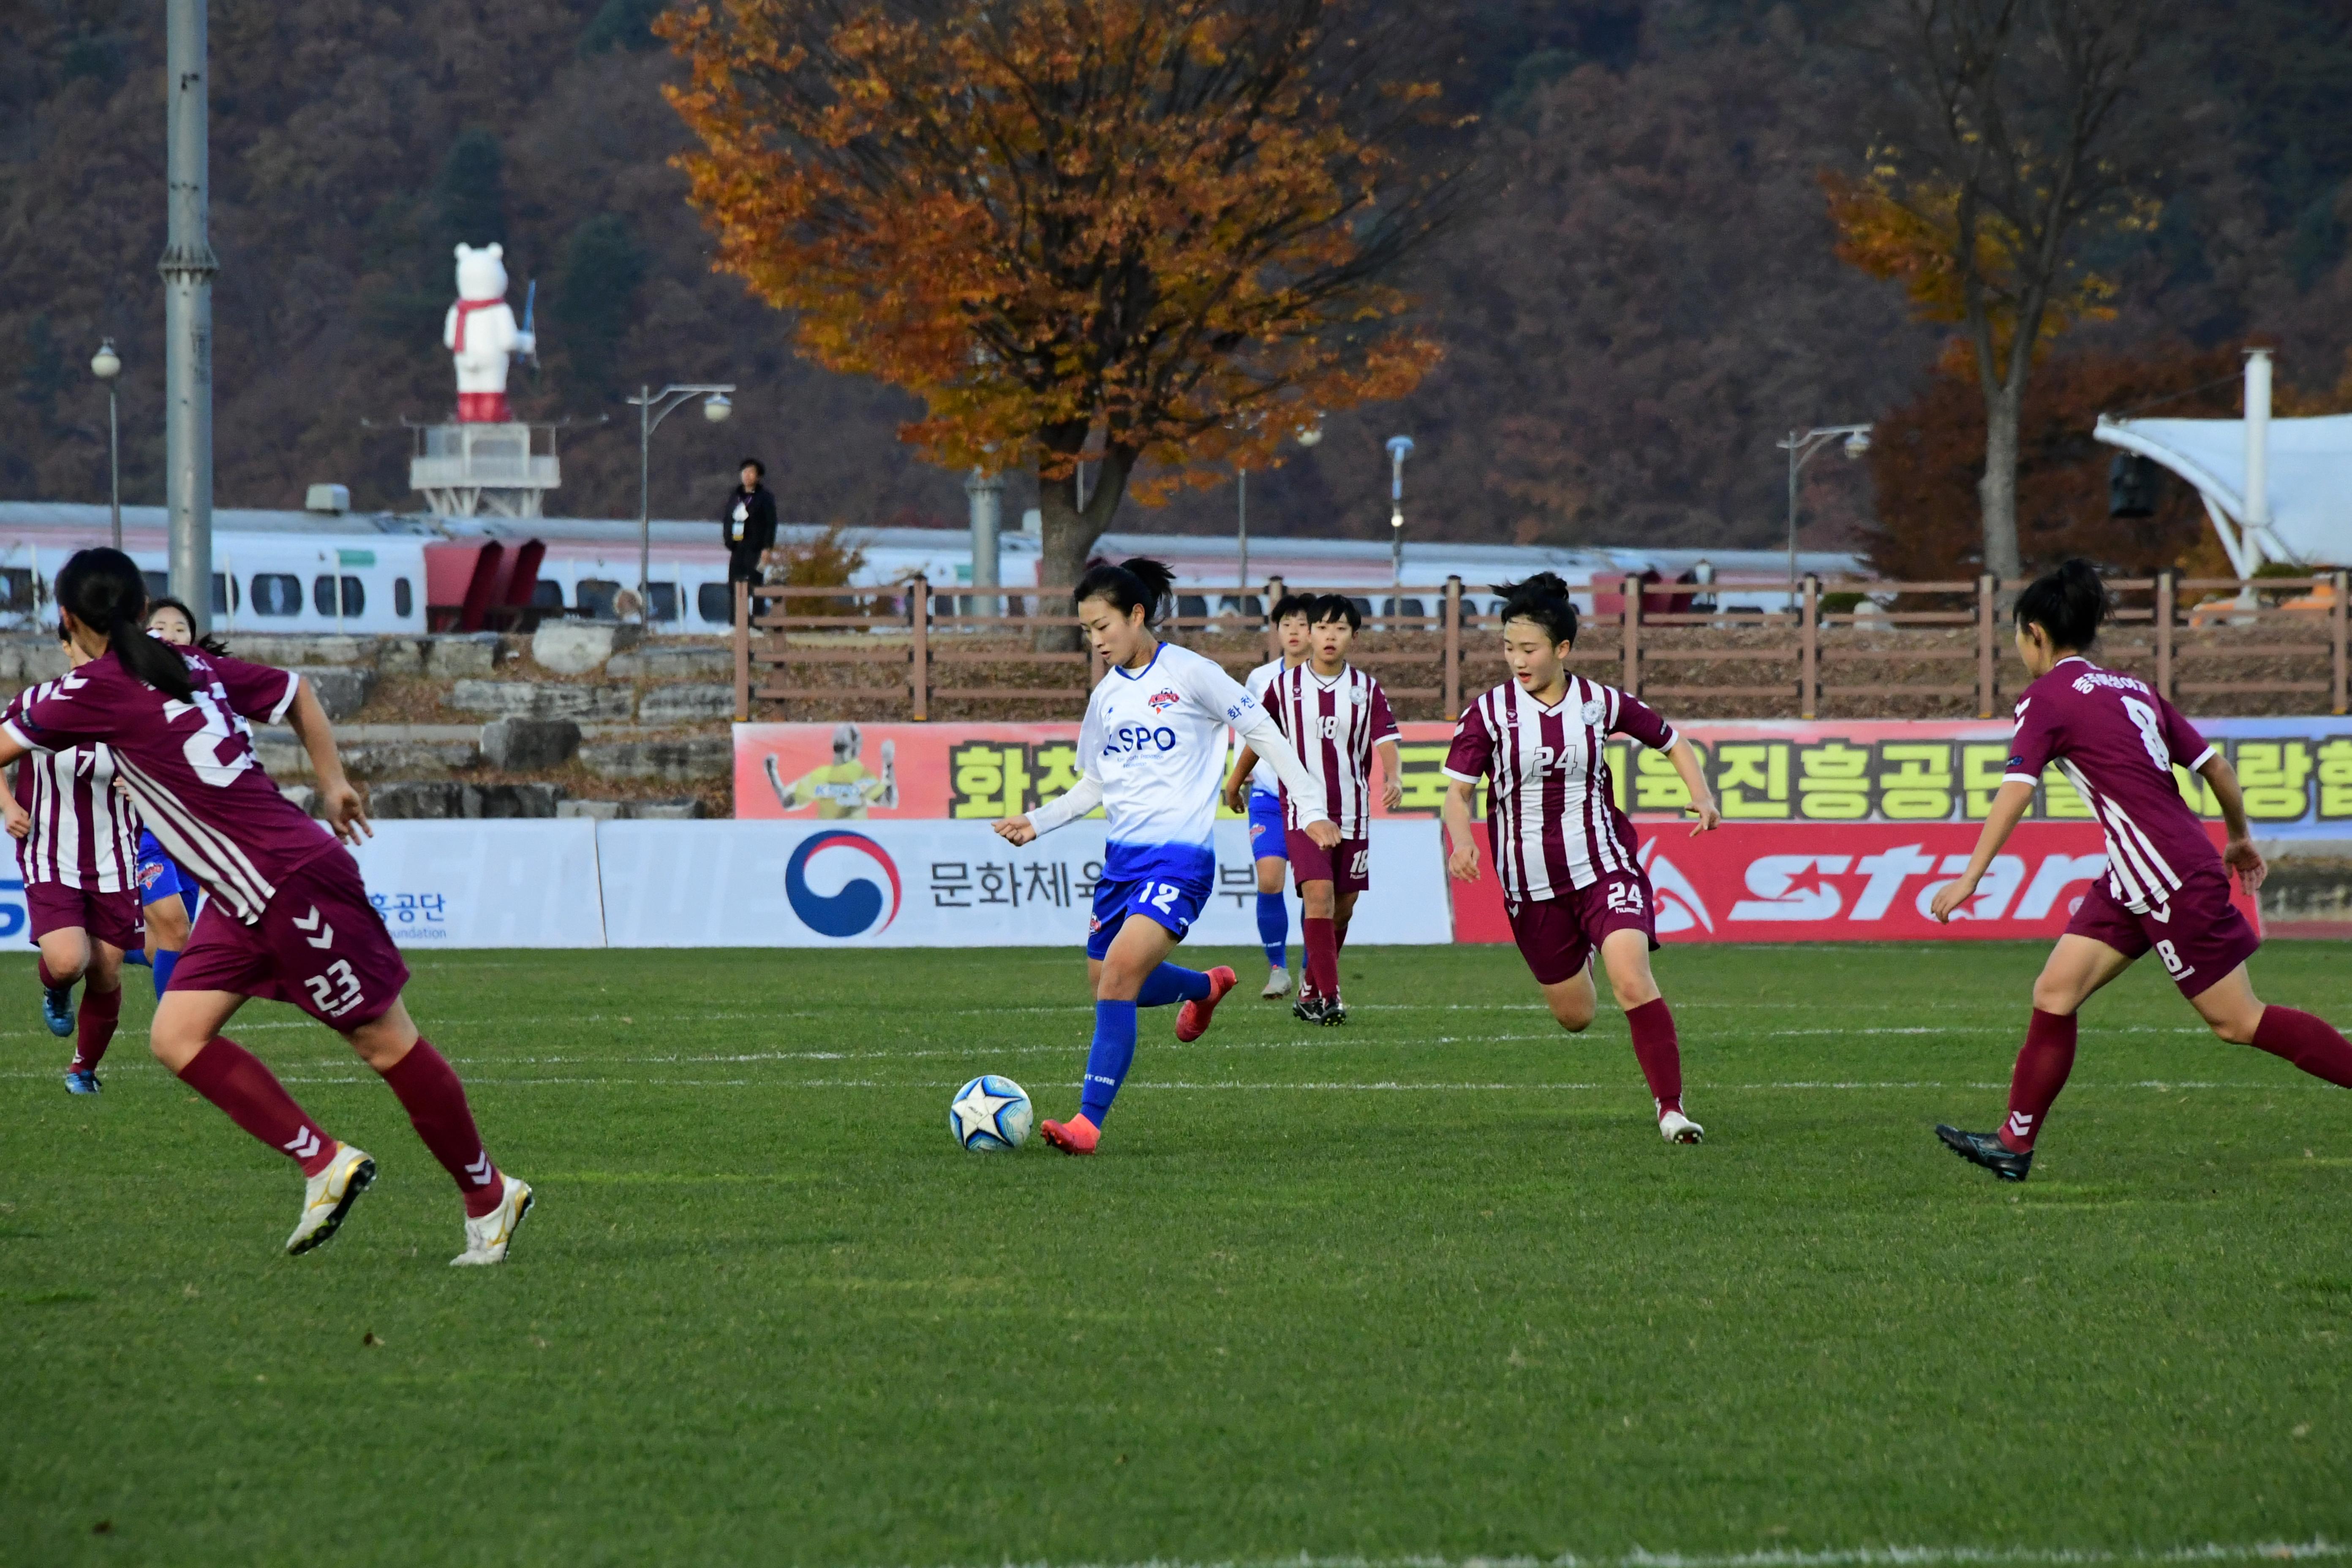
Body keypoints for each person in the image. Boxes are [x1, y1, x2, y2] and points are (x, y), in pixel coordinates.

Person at [0, 549, 532, 1263]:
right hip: (242, 891)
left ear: (66, 618)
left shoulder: (91, 688)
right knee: (176, 1036)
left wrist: (332, 785)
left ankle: (488, 1194)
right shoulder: (187, 663)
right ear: (137, 608)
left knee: (384, 1042)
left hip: (286, 885)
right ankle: (324, 1162)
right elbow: (297, 693)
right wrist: (331, 782)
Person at [1929, 559, 2352, 1180]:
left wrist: (1970, 876)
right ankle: (2012, 1145)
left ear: (2036, 634)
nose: (2019, 647)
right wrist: (2238, 838)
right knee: (2055, 992)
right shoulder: (2133, 689)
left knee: (2238, 1021)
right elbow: (2217, 769)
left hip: (2166, 876)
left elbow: (2017, 789)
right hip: (2140, 873)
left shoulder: (2044, 696)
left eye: (2018, 636)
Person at [993, 558, 1337, 1155]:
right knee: (1105, 980)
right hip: (1122, 864)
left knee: (1120, 978)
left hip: (1180, 862)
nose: (1096, 641)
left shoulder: (1190, 673)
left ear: (1136, 614)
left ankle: (1087, 1123)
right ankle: (1204, 988)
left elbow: (1263, 731)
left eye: (1103, 627)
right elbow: (1095, 784)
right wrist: (1038, 821)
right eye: (1087, 632)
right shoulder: (1104, 699)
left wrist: (1307, 804)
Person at [1438, 572, 1722, 1144]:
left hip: (1603, 865)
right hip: (1529, 884)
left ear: (1562, 649)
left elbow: (1672, 740)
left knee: (1633, 979)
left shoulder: (1600, 702)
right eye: (1508, 648)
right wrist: (1461, 840)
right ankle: (1582, 957)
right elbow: (1457, 792)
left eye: (1529, 649)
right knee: (1576, 1016)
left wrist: (1702, 794)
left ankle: (1671, 1110)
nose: (1516, 659)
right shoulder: (1490, 713)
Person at [1230, 594, 1402, 1024]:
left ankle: (1309, 990)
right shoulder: (1282, 687)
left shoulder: (1367, 689)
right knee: (1318, 897)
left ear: (1354, 637)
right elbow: (1259, 738)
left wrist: (1394, 776)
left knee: (1343, 906)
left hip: (1353, 812)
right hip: (1302, 813)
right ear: (1309, 634)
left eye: (1339, 629)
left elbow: (1386, 739)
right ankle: (1330, 996)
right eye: (1322, 628)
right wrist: (1235, 782)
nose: (1329, 636)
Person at [0, 618, 141, 1094]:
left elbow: (169, 767)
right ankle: (55, 987)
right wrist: (8, 804)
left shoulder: (136, 708)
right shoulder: (37, 703)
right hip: (49, 849)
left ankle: (82, 1069)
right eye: (84, 645)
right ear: (65, 646)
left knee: (105, 969)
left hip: (115, 852)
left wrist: (142, 783)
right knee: (68, 961)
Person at [1222, 592, 1315, 999]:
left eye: (1302, 624)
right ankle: (1278, 969)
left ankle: (1314, 972)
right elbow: (1250, 735)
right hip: (1267, 797)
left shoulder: (1330, 682)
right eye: (1286, 624)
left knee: (1316, 892)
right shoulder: (1261, 679)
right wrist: (1237, 778)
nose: (1294, 632)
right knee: (1271, 880)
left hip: (1314, 804)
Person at [125, 597, 211, 999]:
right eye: (161, 627)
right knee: (176, 929)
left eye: (182, 628)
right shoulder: (127, 689)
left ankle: (99, 951)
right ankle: (175, 1037)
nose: (172, 634)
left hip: (193, 835)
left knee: (169, 942)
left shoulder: (212, 694)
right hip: (147, 834)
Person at [765, 721, 897, 817]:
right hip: (852, 843)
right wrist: (888, 764)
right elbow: (889, 801)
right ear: (856, 748)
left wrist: (772, 772)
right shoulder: (861, 774)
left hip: (831, 844)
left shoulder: (821, 775)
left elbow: (787, 802)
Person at [723, 458, 779, 588]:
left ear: (758, 477)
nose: (747, 475)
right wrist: (728, 540)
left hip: (756, 549)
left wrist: (767, 548)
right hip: (737, 546)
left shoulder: (765, 498)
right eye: (745, 472)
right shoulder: (735, 496)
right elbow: (727, 519)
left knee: (755, 585)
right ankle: (736, 609)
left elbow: (771, 523)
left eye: (751, 472)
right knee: (735, 585)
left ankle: (757, 609)